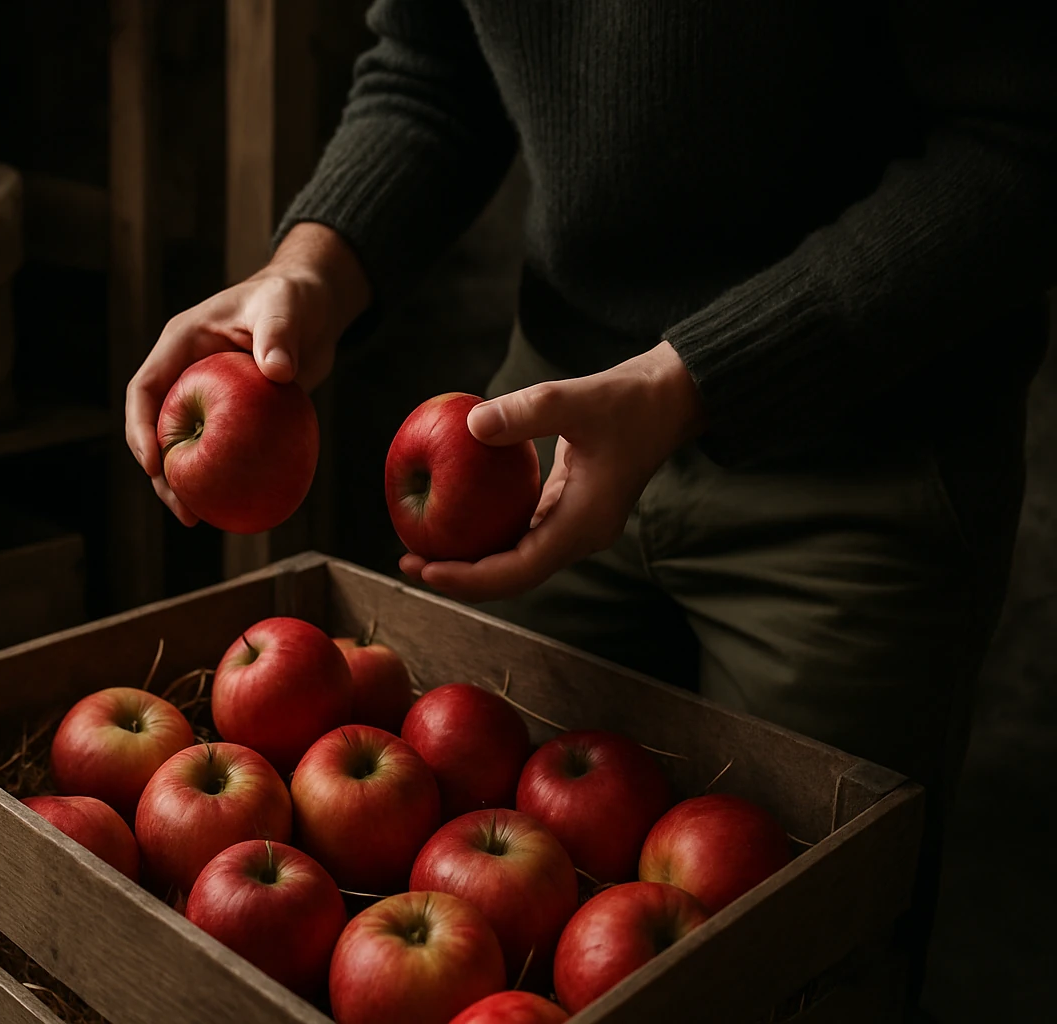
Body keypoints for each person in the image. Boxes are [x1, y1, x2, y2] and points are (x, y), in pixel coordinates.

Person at [126, 3, 1055, 1017]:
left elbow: (1021, 142)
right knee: (489, 882)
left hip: (859, 444)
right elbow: (435, 66)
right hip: (541, 433)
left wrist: (688, 384)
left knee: (801, 961)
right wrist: (313, 263)